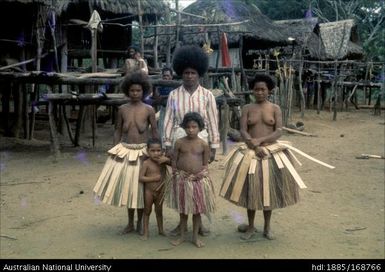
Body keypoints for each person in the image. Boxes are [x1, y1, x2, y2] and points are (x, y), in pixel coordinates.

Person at [220, 74, 300, 241]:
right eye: (256, 89)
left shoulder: (275, 108)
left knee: (267, 193)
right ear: (252, 91)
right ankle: (250, 226)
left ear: (269, 90)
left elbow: (279, 131)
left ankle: (267, 227)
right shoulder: (248, 108)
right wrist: (254, 145)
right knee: (252, 192)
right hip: (251, 153)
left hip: (270, 153)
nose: (260, 92)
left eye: (263, 89)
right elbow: (242, 130)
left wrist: (261, 141)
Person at [163, 45, 220, 237]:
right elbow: (169, 120)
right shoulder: (174, 95)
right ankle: (181, 224)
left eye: (193, 73)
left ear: (199, 73)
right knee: (180, 183)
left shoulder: (207, 95)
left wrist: (213, 148)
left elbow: (213, 121)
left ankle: (200, 223)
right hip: (179, 142)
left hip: (201, 144)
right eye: (186, 72)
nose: (189, 76)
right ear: (181, 73)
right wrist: (168, 145)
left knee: (199, 184)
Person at [93, 71, 158, 235]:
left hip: (143, 153)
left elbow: (155, 133)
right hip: (126, 152)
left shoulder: (149, 109)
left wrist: (156, 153)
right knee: (129, 188)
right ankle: (130, 223)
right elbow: (118, 130)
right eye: (132, 91)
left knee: (142, 189)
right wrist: (114, 150)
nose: (135, 93)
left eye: (138, 91)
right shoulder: (122, 109)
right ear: (127, 91)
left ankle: (140, 222)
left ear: (144, 91)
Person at [169, 112, 215, 248]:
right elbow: (174, 161)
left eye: (194, 127)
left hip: (197, 181)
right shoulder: (179, 143)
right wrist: (178, 173)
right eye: (188, 127)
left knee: (197, 211)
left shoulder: (203, 144)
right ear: (184, 127)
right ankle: (182, 236)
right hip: (183, 180)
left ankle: (195, 237)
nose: (191, 130)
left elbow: (205, 165)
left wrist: (200, 175)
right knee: (183, 212)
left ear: (200, 128)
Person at [139, 138, 170, 240]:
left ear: (162, 151)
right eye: (152, 151)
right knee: (147, 211)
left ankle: (161, 230)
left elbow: (175, 165)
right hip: (149, 191)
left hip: (160, 191)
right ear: (148, 151)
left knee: (159, 211)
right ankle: (146, 232)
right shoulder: (146, 163)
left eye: (158, 150)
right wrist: (153, 178)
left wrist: (167, 160)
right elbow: (141, 177)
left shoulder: (163, 162)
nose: (156, 153)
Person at [153, 67, 174, 141]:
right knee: (162, 129)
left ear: (171, 77)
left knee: (173, 130)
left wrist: (163, 96)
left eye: (168, 76)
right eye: (164, 76)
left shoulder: (175, 85)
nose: (166, 77)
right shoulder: (160, 85)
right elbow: (157, 98)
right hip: (163, 109)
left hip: (174, 110)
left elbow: (174, 96)